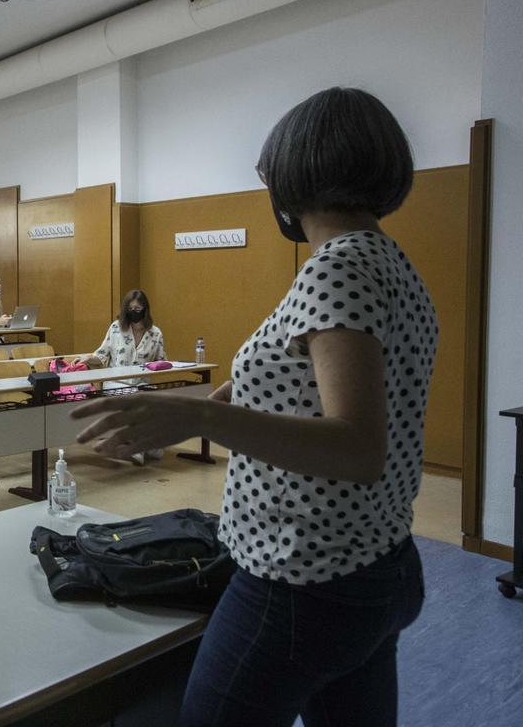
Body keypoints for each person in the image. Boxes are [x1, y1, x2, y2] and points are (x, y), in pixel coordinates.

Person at [72, 88, 434, 727]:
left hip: (302, 579)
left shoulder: (337, 268)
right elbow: (305, 376)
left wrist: (201, 419)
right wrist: (211, 398)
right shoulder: (388, 262)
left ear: (301, 174)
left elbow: (357, 445)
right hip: (379, 563)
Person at [79, 289, 167, 464]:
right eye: (131, 308)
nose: (135, 312)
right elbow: (102, 355)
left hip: (143, 383)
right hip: (116, 382)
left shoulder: (155, 333)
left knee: (156, 402)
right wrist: (88, 358)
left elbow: (162, 361)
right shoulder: (116, 328)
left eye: (138, 308)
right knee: (135, 400)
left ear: (145, 309)